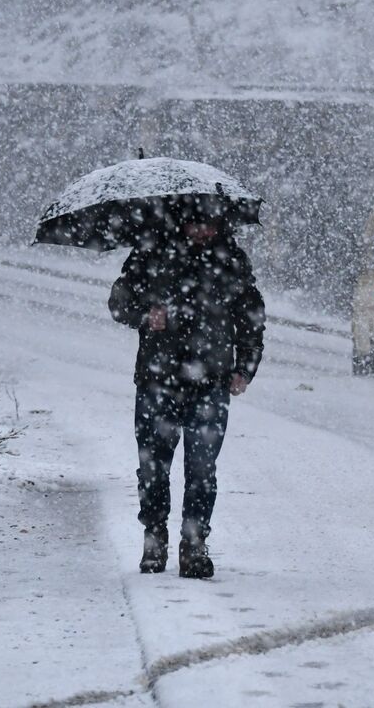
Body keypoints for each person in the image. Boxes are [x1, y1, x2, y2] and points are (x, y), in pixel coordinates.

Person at [108, 201, 265, 579]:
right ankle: (155, 536)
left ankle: (194, 543)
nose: (202, 232)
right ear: (182, 220)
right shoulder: (151, 252)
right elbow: (119, 302)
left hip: (210, 381)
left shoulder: (230, 261)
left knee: (202, 469)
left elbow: (251, 317)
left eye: (209, 224)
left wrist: (244, 368)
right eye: (195, 223)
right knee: (153, 466)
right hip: (157, 380)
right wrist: (146, 315)